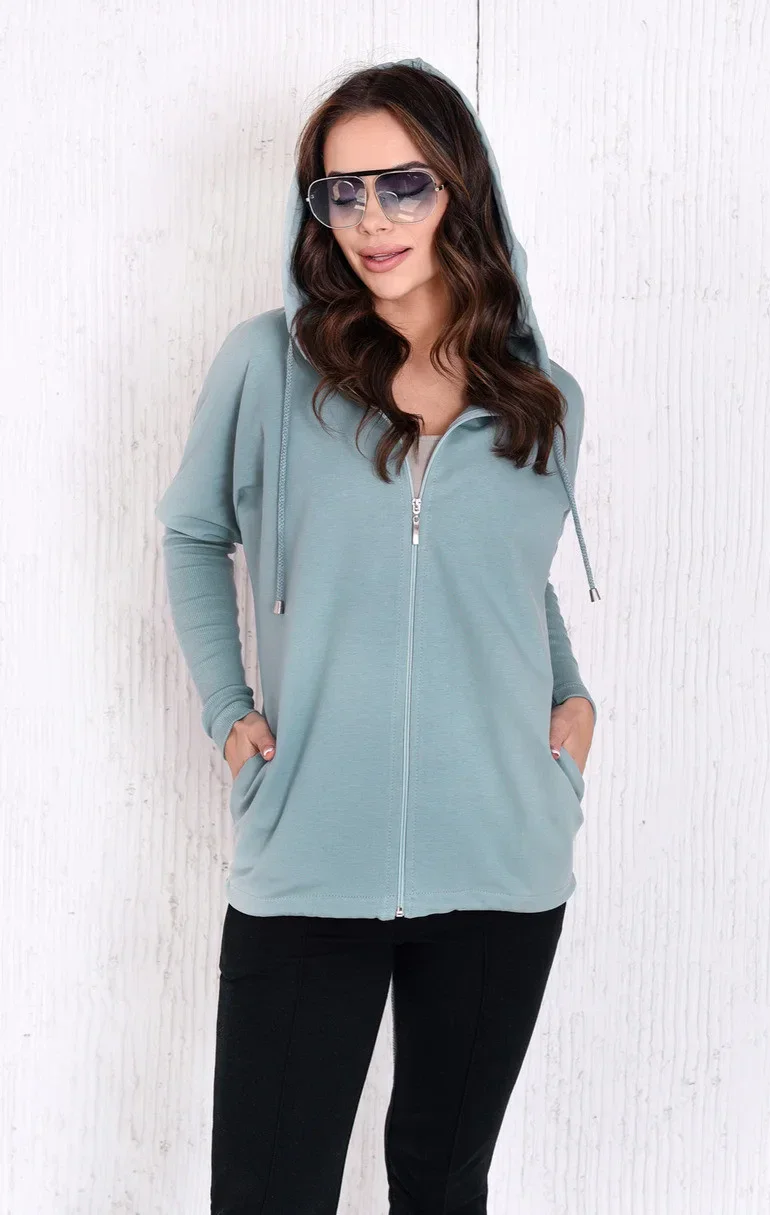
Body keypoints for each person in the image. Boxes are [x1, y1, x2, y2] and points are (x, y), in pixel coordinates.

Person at [156, 55, 600, 1215]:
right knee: (268, 1191)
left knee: (443, 1189)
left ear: (459, 188)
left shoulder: (542, 397)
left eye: (402, 185)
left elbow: (512, 581)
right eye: (340, 191)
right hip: (310, 849)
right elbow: (194, 534)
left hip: (503, 855)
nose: (370, 220)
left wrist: (571, 700)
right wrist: (229, 712)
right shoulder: (270, 365)